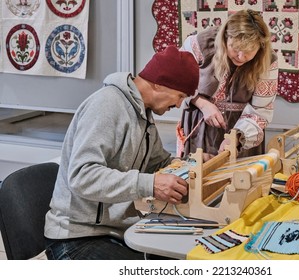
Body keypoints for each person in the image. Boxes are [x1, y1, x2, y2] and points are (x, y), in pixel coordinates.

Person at [44, 46, 199, 260]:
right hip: (77, 237)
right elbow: (82, 176)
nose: (179, 104)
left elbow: (158, 163)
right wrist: (150, 184)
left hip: (117, 231)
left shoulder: (143, 113)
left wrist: (192, 165)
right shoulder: (107, 105)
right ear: (160, 83)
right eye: (180, 95)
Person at [178, 9, 279, 161]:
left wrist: (237, 137)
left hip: (243, 130)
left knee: (240, 180)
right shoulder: (201, 43)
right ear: (225, 38)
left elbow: (260, 110)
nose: (240, 56)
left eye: (248, 51)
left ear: (260, 47)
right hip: (200, 126)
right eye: (235, 48)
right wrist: (204, 105)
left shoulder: (267, 61)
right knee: (198, 176)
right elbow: (178, 81)